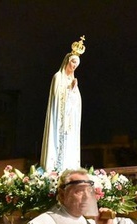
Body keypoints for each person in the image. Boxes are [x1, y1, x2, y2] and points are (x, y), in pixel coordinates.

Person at [40, 36, 85, 172]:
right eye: (72, 62)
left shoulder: (73, 81)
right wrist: (68, 90)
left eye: (76, 64)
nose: (74, 66)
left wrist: (73, 90)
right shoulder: (58, 77)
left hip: (69, 122)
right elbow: (56, 97)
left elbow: (77, 102)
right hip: (59, 120)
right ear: (67, 61)